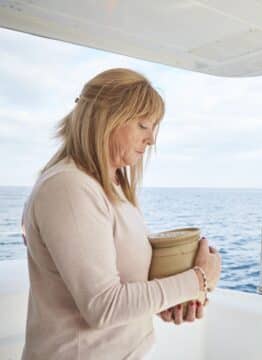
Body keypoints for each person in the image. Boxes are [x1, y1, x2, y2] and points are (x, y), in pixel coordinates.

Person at [21, 68, 221, 359]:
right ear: (106, 120)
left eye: (154, 127)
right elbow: (104, 306)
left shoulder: (109, 186)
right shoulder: (68, 187)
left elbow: (121, 287)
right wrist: (199, 279)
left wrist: (168, 299)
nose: (151, 139)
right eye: (143, 125)